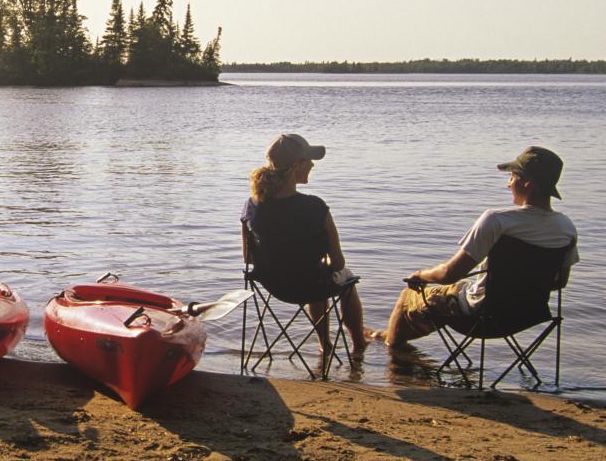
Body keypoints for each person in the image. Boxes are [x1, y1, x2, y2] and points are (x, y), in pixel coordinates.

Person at [382, 146, 579, 347]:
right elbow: (560, 282)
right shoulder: (566, 228)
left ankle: (394, 359)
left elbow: (449, 273)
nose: (508, 184)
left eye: (512, 176)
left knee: (410, 296)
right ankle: (387, 338)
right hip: (527, 316)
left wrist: (420, 275)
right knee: (452, 292)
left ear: (528, 183)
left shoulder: (497, 221)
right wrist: (519, 287)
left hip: (481, 315)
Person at [241, 133, 368, 356]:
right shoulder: (316, 207)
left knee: (314, 273)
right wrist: (324, 260)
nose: (312, 165)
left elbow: (249, 259)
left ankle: (324, 344)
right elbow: (338, 263)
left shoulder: (251, 206)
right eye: (308, 161)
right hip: (311, 284)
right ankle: (359, 345)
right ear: (296, 166)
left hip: (274, 285)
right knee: (341, 276)